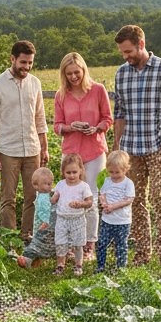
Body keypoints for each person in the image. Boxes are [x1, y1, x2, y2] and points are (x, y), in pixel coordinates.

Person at [112, 24, 161, 264]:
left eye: (128, 51)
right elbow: (119, 112)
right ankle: (142, 253)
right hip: (131, 149)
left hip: (158, 145)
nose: (125, 56)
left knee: (160, 200)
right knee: (136, 201)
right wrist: (117, 147)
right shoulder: (121, 73)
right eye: (122, 52)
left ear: (141, 44)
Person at [0, 40, 48, 240]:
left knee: (32, 197)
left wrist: (44, 148)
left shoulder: (35, 83)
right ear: (12, 59)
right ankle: (9, 239)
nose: (27, 67)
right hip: (7, 151)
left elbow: (40, 118)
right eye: (23, 62)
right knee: (8, 199)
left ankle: (27, 236)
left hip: (32, 149)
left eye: (30, 63)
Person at [53, 52, 112, 258]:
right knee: (68, 196)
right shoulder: (61, 95)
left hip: (94, 151)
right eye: (69, 74)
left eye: (76, 72)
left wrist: (96, 128)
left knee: (91, 198)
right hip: (71, 154)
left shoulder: (97, 90)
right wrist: (70, 127)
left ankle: (89, 246)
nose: (73, 77)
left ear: (84, 70)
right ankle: (71, 244)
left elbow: (108, 119)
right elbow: (57, 126)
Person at [50, 153, 94, 276]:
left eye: (74, 172)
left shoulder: (83, 186)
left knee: (78, 243)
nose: (71, 175)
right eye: (68, 172)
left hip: (77, 219)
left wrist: (81, 203)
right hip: (62, 219)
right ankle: (60, 265)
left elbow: (90, 202)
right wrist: (54, 198)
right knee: (60, 242)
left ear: (81, 170)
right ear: (63, 172)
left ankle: (78, 265)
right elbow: (55, 197)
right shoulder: (61, 184)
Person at [97, 149, 135, 272]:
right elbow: (102, 194)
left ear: (125, 169)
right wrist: (104, 203)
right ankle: (100, 266)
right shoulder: (107, 181)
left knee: (121, 245)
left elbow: (128, 200)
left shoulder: (128, 184)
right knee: (102, 243)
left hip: (122, 221)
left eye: (117, 172)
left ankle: (121, 268)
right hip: (107, 220)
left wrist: (113, 206)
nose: (113, 175)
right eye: (111, 172)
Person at [16, 166, 56, 267]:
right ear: (36, 185)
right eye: (46, 184)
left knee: (37, 245)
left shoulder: (43, 195)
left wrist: (45, 222)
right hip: (41, 225)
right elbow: (45, 211)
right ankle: (32, 261)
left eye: (50, 183)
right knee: (38, 244)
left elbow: (46, 211)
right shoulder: (42, 196)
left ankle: (27, 260)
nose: (49, 186)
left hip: (42, 226)